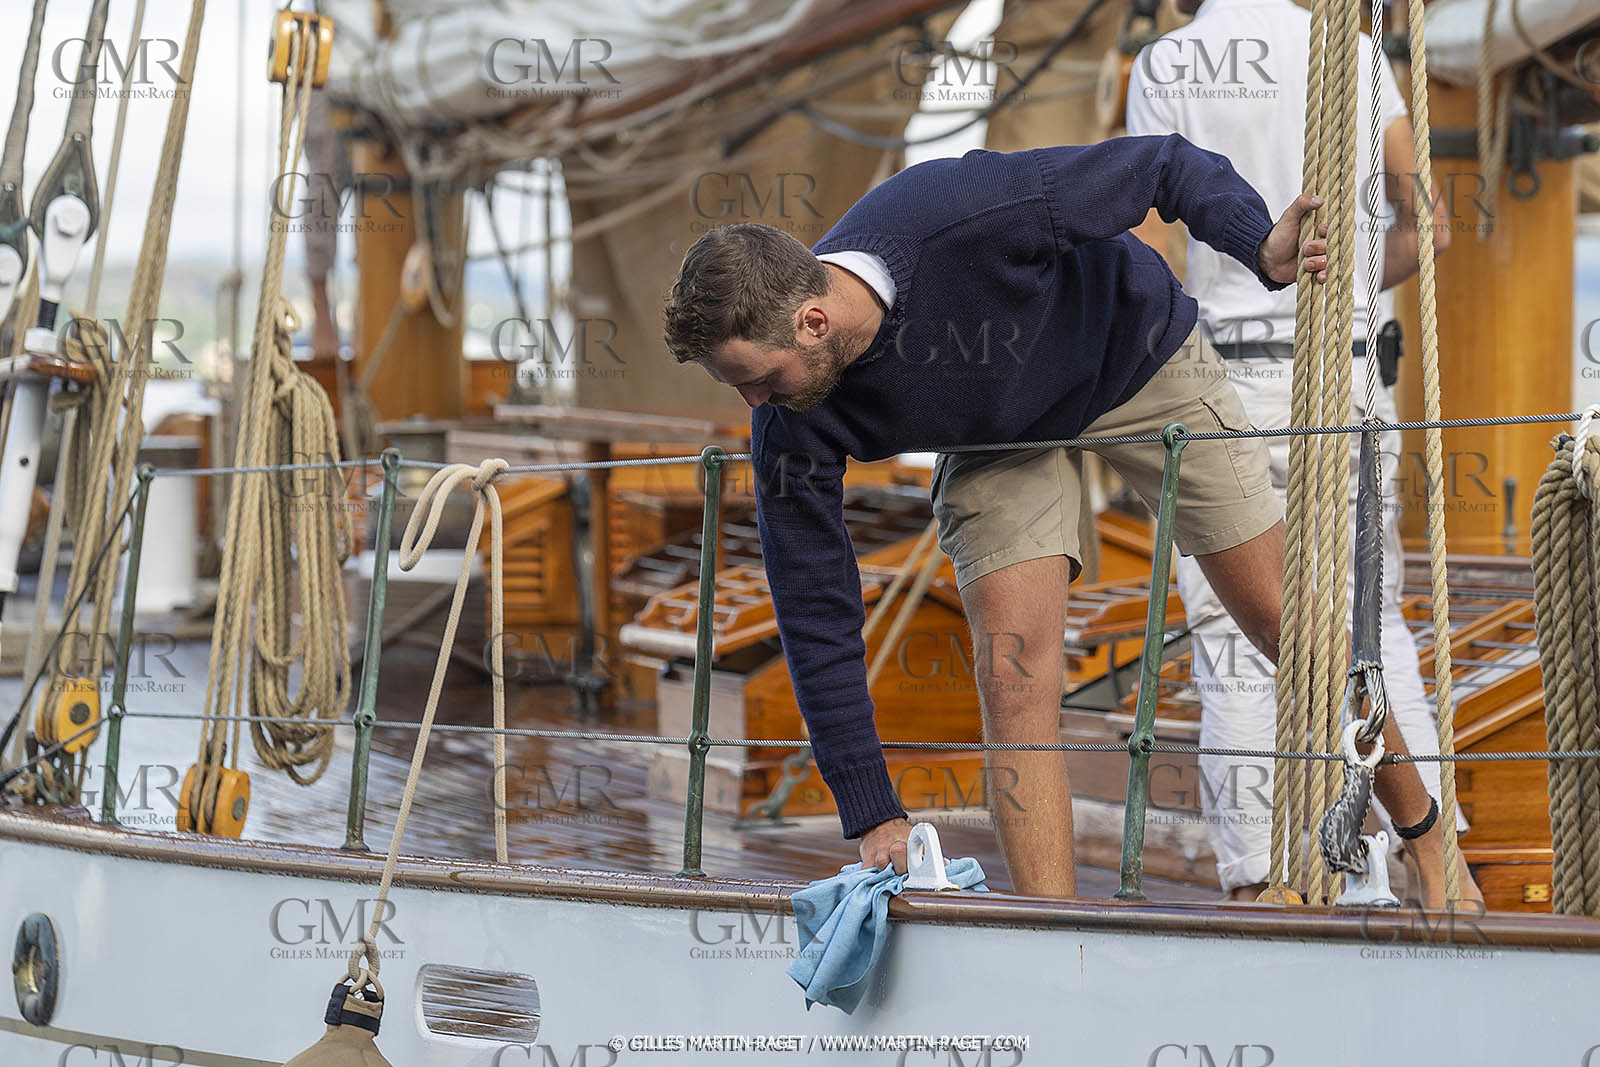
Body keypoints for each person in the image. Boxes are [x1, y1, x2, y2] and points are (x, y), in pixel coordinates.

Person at [662, 135, 1424, 900]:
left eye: (757, 379)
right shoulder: (789, 419)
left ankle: (1428, 845)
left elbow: (1160, 165)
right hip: (995, 438)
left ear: (815, 321)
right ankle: (1051, 939)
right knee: (1013, 675)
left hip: (1135, 357)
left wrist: (1257, 243)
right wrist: (872, 813)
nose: (753, 404)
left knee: (1279, 621)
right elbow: (813, 608)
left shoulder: (962, 212)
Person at [1126, 0, 1482, 906]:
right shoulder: (1356, 54)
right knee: (1377, 625)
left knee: (1237, 641)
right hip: (1350, 378)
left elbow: (1142, 256)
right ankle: (1439, 870)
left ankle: (1259, 882)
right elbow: (1430, 226)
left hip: (1223, 388)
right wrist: (1351, 283)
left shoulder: (1166, 67)